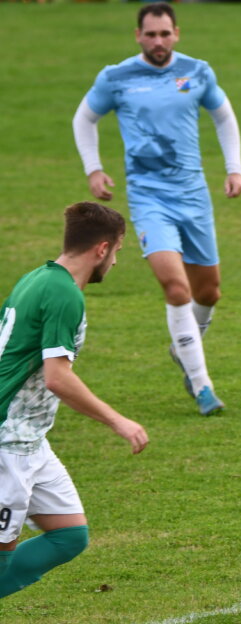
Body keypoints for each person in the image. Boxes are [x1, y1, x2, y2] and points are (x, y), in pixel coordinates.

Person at [72, 2, 241, 416]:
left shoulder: (197, 71)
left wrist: (234, 169)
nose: (158, 42)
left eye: (165, 34)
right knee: (176, 287)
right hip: (149, 197)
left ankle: (184, 350)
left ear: (176, 34)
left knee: (209, 291)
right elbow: (84, 119)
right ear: (138, 37)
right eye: (150, 34)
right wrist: (94, 169)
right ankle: (203, 386)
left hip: (193, 195)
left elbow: (224, 117)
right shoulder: (117, 77)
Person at [0, 202, 149, 600]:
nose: (116, 262)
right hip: (7, 443)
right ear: (102, 249)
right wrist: (119, 421)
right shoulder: (64, 294)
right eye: (118, 251)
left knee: (69, 534)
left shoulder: (37, 278)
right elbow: (57, 378)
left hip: (30, 439)